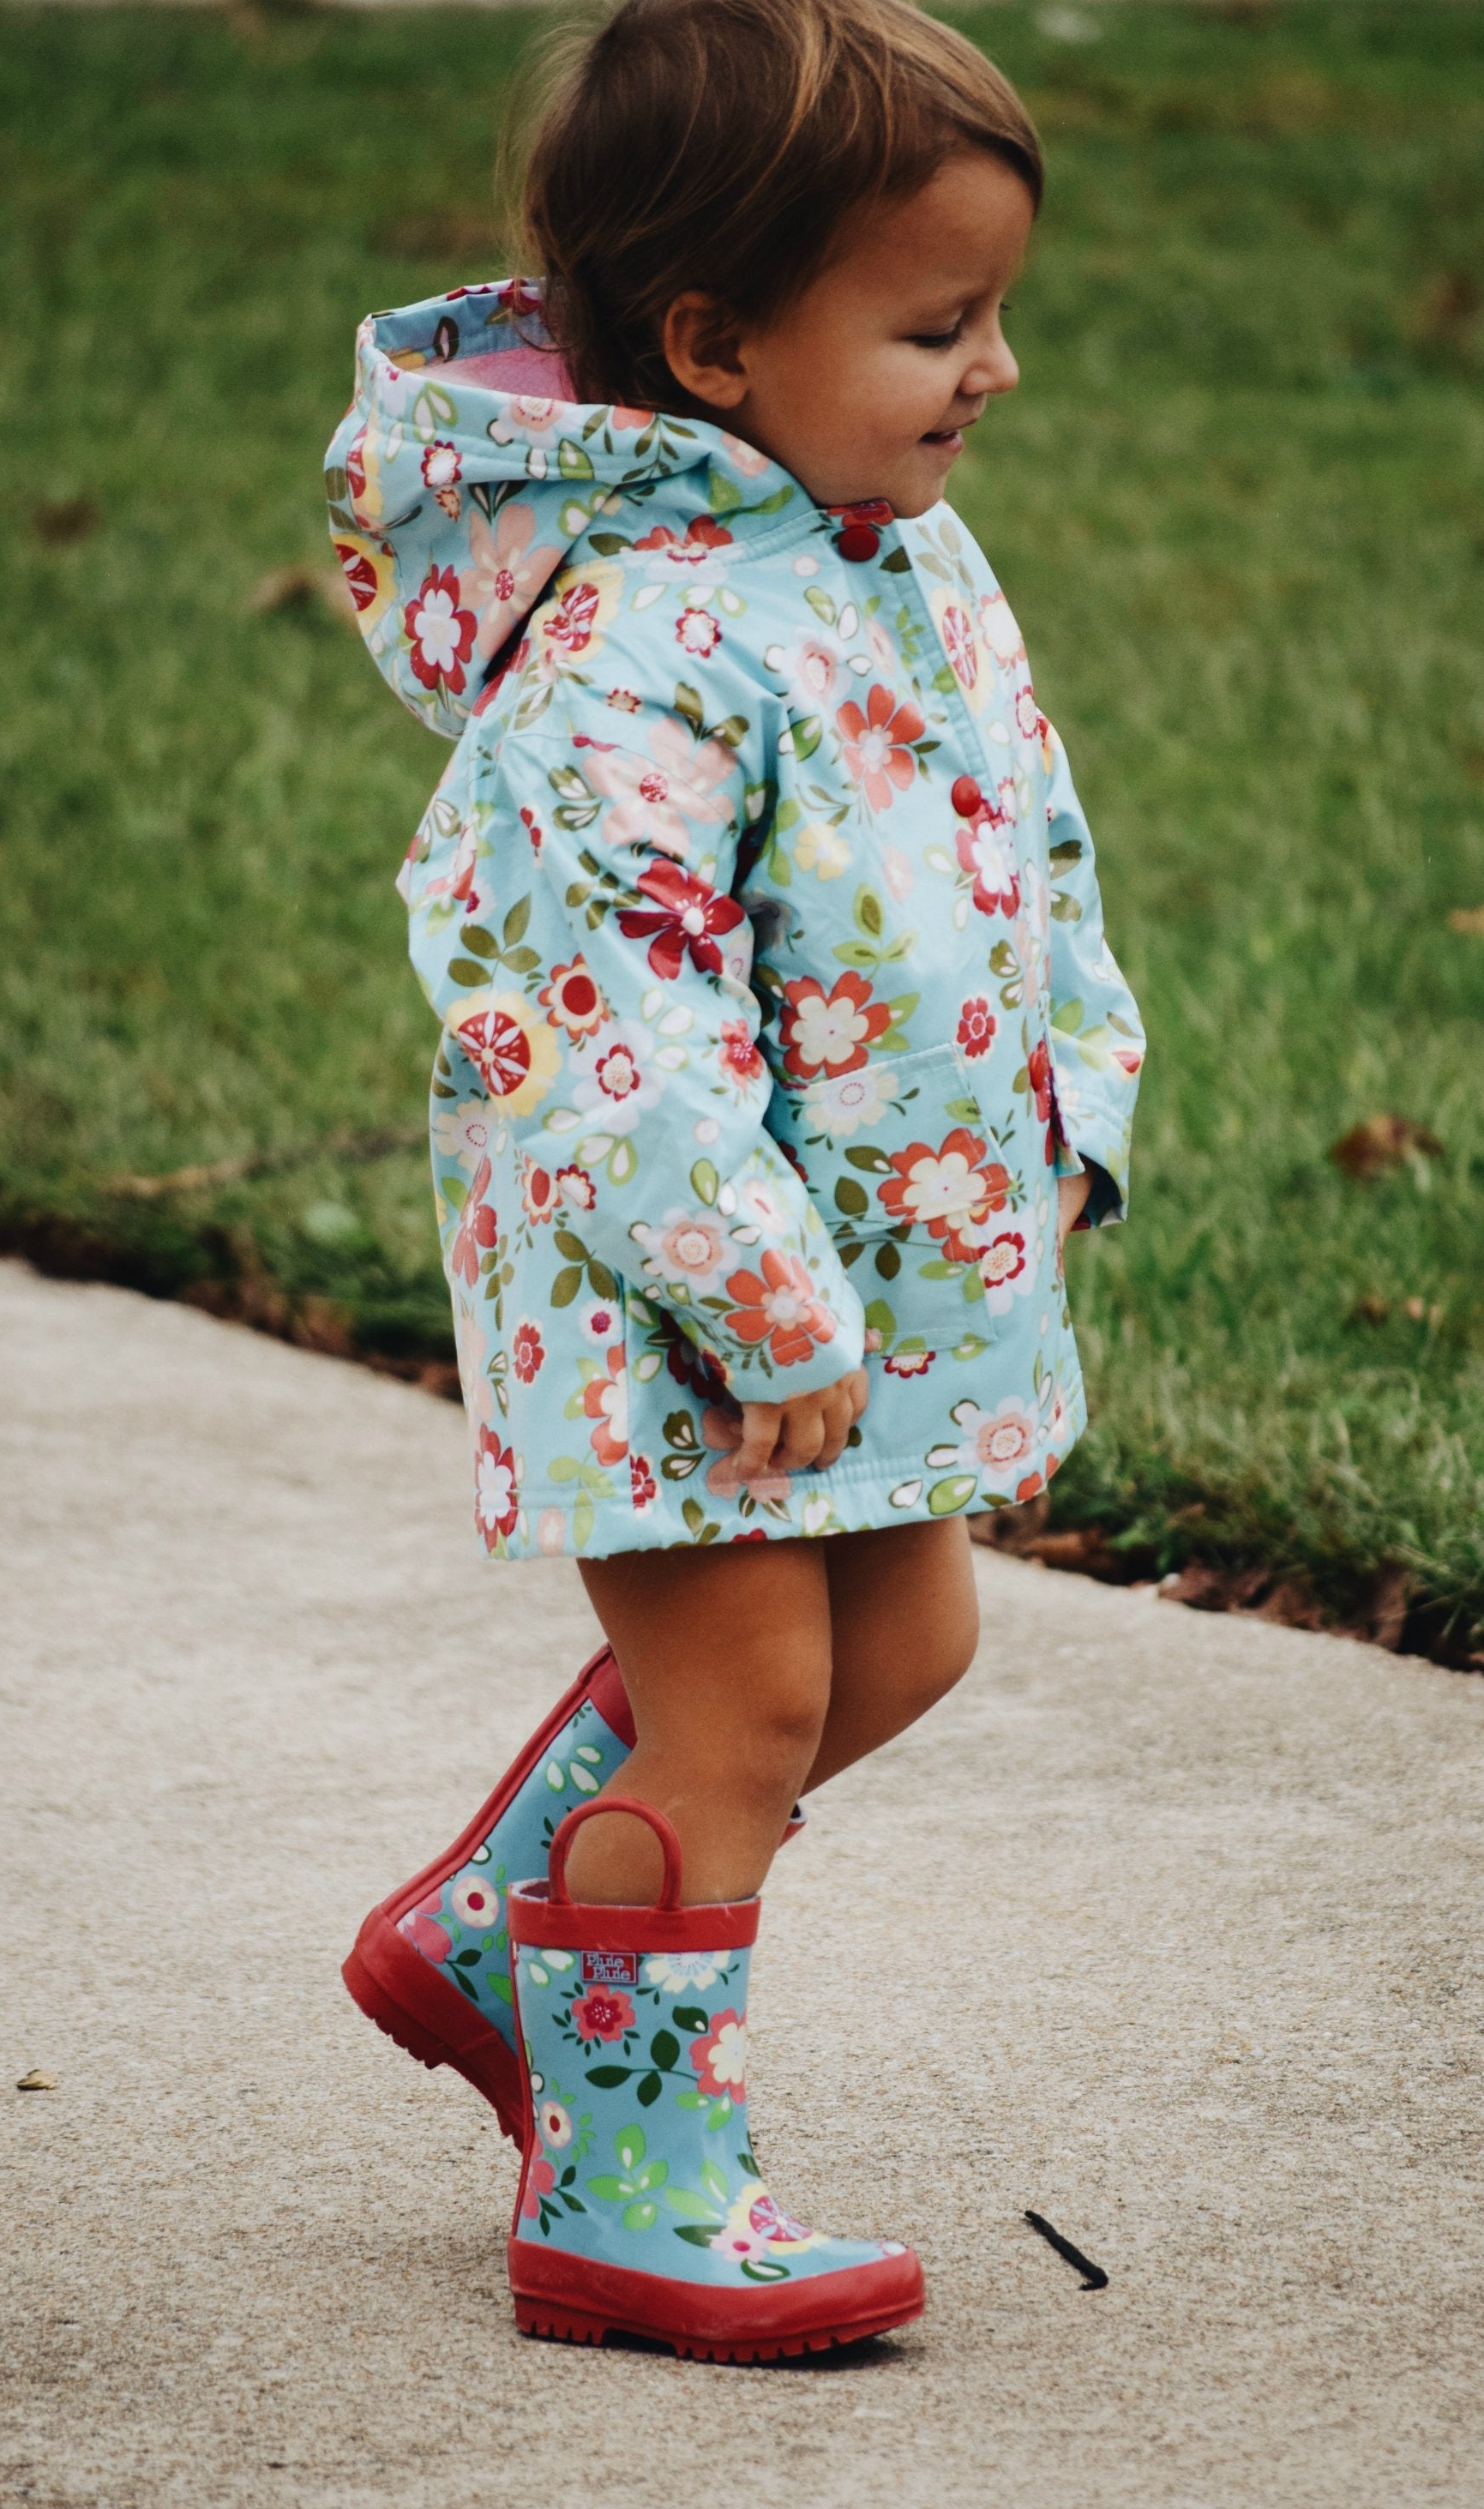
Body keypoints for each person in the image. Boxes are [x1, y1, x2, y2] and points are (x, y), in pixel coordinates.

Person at [325, 0, 1145, 2363]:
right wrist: (752, 1293)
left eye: (995, 310)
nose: (994, 369)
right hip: (676, 1294)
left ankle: (508, 1930)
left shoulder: (913, 557)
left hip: (872, 1279)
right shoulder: (634, 645)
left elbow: (1036, 848)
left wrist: (1077, 1100)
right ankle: (630, 2183)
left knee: (911, 1640)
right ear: (711, 342)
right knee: (752, 1700)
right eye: (932, 322)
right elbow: (596, 1014)